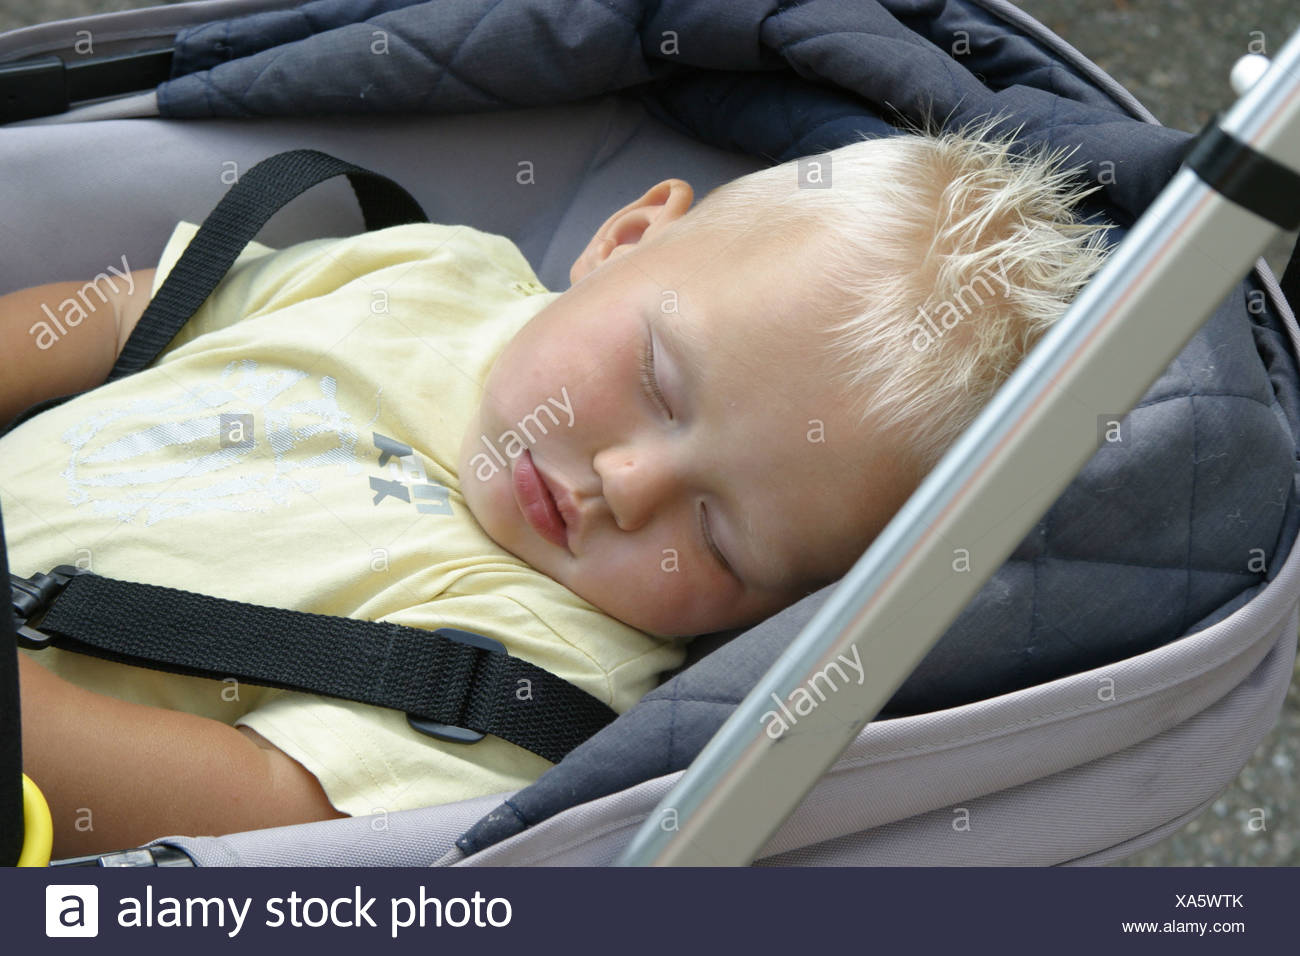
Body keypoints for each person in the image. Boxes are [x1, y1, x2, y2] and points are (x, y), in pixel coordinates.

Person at [0, 117, 1112, 857]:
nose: (626, 486)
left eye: (719, 539)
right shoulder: (424, 270)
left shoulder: (537, 676)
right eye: (657, 384)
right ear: (626, 238)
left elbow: (255, 820)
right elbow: (105, 322)